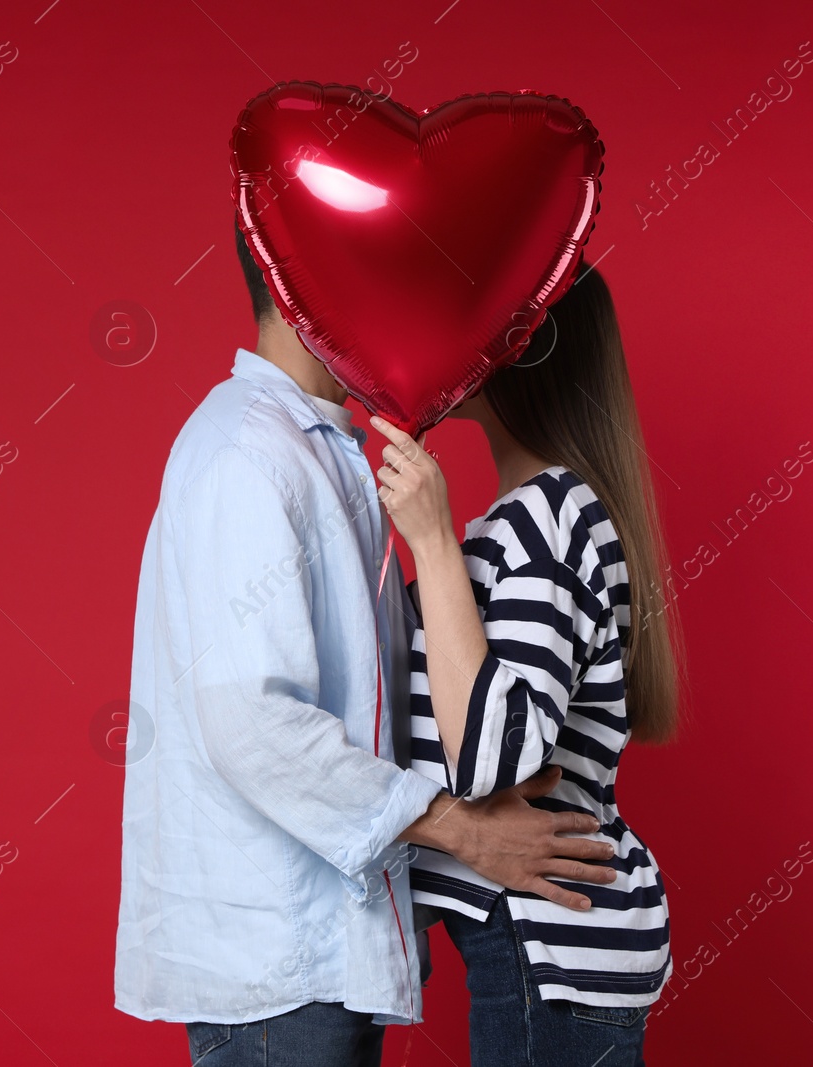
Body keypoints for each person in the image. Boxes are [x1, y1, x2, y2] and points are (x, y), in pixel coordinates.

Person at [114, 220, 622, 1067]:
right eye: (359, 276)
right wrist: (463, 829)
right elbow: (251, 720)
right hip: (279, 964)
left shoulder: (331, 452)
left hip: (326, 953)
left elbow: (395, 690)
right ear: (295, 286)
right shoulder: (248, 454)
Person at [371, 263, 685, 1067]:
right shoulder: (533, 519)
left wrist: (432, 540)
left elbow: (492, 760)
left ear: (529, 348)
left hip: (547, 951)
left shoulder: (550, 520)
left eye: (486, 324)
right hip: (546, 954)